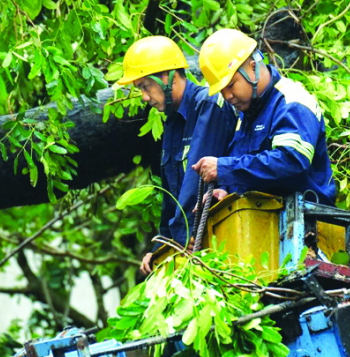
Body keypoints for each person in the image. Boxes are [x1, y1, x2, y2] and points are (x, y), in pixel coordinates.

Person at [119, 35, 237, 274]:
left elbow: (196, 184)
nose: (144, 96)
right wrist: (162, 247)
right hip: (187, 246)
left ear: (166, 77)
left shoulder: (208, 105)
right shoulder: (172, 122)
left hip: (217, 242)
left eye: (144, 86)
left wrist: (180, 241)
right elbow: (171, 197)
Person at [191, 28, 336, 205]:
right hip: (265, 221)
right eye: (222, 90)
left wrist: (224, 168)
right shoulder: (247, 114)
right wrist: (226, 191)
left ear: (252, 68)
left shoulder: (292, 103)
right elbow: (249, 170)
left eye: (230, 85)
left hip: (307, 222)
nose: (227, 96)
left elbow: (291, 162)